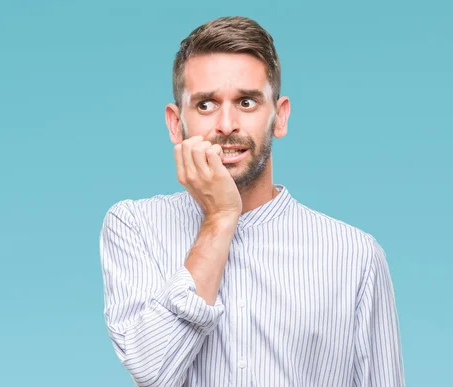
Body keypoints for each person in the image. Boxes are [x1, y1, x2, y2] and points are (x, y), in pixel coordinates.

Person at [99, 16, 405, 387]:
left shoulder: (356, 255)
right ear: (175, 123)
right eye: (206, 105)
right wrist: (220, 217)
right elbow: (153, 371)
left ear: (279, 116)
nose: (227, 124)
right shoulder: (135, 227)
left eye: (246, 102)